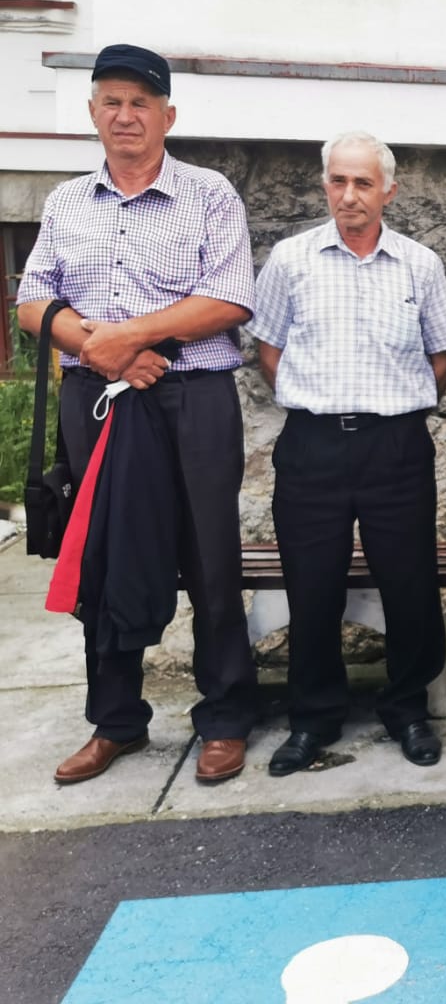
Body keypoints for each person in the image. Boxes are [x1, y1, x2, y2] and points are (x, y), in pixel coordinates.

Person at [17, 43, 258, 786]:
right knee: (102, 557)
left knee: (210, 558)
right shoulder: (64, 202)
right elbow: (31, 302)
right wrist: (101, 349)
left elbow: (230, 298)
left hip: (193, 399)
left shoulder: (209, 194)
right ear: (92, 111)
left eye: (141, 103)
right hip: (95, 400)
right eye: (113, 102)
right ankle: (116, 721)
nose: (126, 115)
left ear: (167, 115)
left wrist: (131, 337)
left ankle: (225, 717)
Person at [248, 132, 446, 774]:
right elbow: (268, 349)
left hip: (394, 445)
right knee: (311, 585)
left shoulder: (419, 265)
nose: (349, 195)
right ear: (325, 186)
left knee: (409, 583)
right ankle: (313, 718)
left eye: (363, 183)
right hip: (312, 444)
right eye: (339, 181)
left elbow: (443, 355)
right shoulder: (290, 260)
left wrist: (395, 407)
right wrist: (317, 400)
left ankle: (407, 710)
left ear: (388, 191)